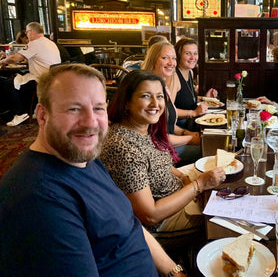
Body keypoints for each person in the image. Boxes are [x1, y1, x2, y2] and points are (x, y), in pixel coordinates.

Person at [0, 64, 186, 277]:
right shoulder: (40, 199)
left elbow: (131, 224)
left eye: (98, 108)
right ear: (42, 115)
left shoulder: (85, 159)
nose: (91, 123)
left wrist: (175, 272)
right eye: (74, 109)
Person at [100, 70, 225, 233]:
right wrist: (198, 185)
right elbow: (150, 215)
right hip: (164, 221)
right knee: (225, 218)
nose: (155, 104)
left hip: (177, 190)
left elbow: (160, 163)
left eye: (159, 96)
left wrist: (185, 178)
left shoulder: (142, 128)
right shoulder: (124, 147)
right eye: (145, 96)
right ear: (127, 102)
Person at [142, 41, 202, 166]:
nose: (171, 62)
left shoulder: (164, 88)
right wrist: (190, 139)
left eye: (173, 58)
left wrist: (186, 133)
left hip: (168, 143)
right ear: (153, 60)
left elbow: (168, 123)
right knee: (206, 151)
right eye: (165, 58)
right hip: (157, 153)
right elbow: (156, 138)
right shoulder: (148, 90)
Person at [0, 22, 61, 126]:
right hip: (52, 78)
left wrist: (2, 61)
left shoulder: (35, 43)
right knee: (16, 79)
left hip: (40, 79)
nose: (27, 35)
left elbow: (15, 58)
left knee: (7, 84)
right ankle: (30, 110)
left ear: (31, 32)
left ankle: (20, 113)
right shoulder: (49, 42)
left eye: (27, 32)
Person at [168, 38, 217, 130]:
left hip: (192, 122)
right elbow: (168, 110)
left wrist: (205, 98)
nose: (193, 58)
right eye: (188, 53)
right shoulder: (174, 76)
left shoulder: (190, 72)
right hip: (180, 127)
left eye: (195, 53)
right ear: (178, 55)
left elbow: (185, 98)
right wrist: (193, 113)